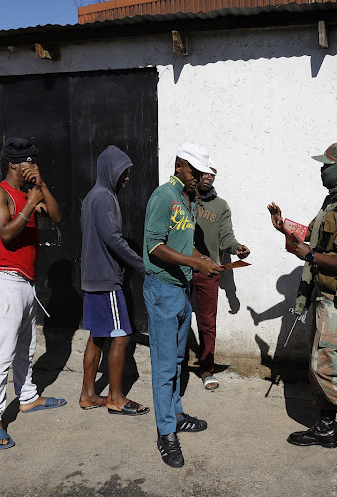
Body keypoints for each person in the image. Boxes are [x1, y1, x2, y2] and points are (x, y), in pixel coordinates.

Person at [267, 142, 337, 459]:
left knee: (325, 366)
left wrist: (312, 256)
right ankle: (325, 427)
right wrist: (284, 226)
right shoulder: (333, 204)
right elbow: (312, 236)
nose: (321, 170)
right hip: (324, 295)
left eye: (326, 165)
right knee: (319, 364)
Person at [143, 143, 225, 468]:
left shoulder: (187, 200)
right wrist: (194, 261)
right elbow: (154, 246)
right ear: (179, 166)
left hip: (181, 290)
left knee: (177, 359)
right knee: (164, 366)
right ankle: (166, 434)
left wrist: (201, 259)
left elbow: (183, 241)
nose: (199, 179)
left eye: (201, 173)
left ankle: (175, 415)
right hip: (162, 289)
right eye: (194, 172)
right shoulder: (164, 196)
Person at [0, 138, 66, 449]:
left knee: (27, 346)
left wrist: (41, 185)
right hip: (6, 282)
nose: (33, 167)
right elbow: (6, 232)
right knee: (3, 352)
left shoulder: (29, 191)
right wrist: (30, 203)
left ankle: (27, 396)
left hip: (27, 283)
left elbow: (56, 217)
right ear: (15, 165)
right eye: (29, 163)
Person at [79, 145, 150, 416]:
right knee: (122, 336)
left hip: (91, 278)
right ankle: (116, 398)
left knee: (97, 337)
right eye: (124, 172)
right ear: (111, 170)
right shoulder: (105, 197)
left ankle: (87, 394)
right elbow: (113, 239)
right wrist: (141, 265)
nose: (127, 178)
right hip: (107, 279)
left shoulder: (90, 197)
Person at [192, 158, 250, 391]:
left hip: (209, 271)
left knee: (207, 322)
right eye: (205, 172)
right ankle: (174, 366)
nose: (209, 177)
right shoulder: (183, 199)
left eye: (213, 174)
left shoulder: (221, 206)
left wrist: (236, 248)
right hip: (180, 267)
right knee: (178, 318)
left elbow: (226, 236)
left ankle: (207, 369)